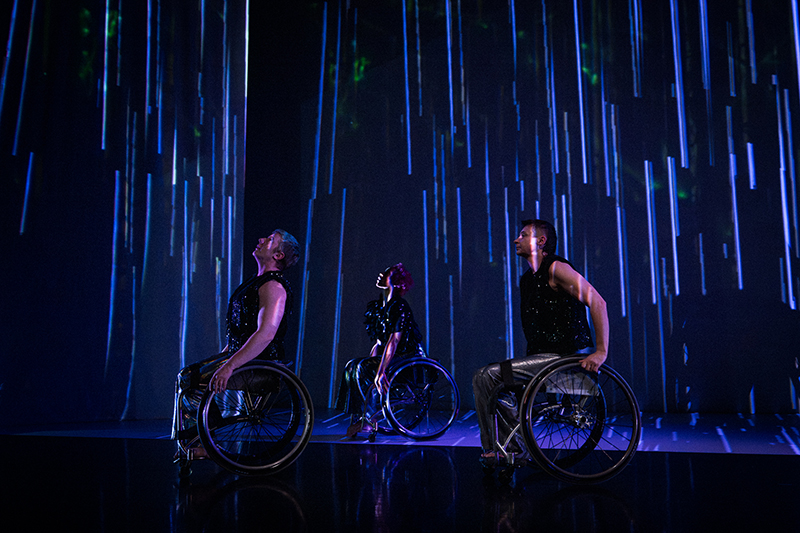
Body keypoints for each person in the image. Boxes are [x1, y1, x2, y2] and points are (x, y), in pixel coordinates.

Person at [471, 219, 609, 463]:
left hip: (564, 357)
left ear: (541, 241)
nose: (516, 239)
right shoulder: (528, 280)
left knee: (488, 375)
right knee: (486, 378)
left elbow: (598, 302)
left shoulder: (556, 269)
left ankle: (513, 450)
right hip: (543, 359)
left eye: (523, 235)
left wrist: (600, 351)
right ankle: (502, 448)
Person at [172, 229, 301, 458]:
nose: (261, 239)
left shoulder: (273, 286)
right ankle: (201, 440)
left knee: (191, 381)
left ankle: (203, 443)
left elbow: (265, 334)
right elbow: (241, 333)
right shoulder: (257, 283)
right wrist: (222, 358)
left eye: (270, 240)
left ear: (278, 255)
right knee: (188, 375)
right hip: (246, 358)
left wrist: (229, 365)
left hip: (262, 364)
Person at [335, 263, 426, 438]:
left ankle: (368, 419)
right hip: (391, 354)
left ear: (397, 282)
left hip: (406, 356)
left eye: (387, 273)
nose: (381, 275)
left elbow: (394, 341)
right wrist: (370, 361)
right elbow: (380, 342)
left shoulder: (399, 306)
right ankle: (361, 416)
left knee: (362, 368)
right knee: (353, 366)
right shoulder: (380, 307)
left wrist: (381, 370)